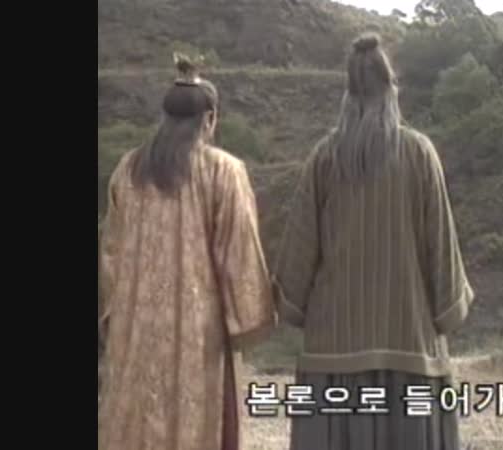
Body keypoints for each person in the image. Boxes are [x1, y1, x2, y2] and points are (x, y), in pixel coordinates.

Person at [274, 33, 474, 450]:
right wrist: (448, 309)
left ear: (348, 94)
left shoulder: (324, 157)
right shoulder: (419, 153)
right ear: (391, 90)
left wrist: (292, 306)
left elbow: (297, 259)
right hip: (409, 342)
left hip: (333, 349)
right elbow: (441, 248)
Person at [98, 56, 277, 450]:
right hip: (198, 333)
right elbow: (239, 254)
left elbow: (110, 254)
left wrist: (116, 315)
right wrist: (251, 316)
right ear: (209, 119)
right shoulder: (223, 171)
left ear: (164, 117)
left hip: (135, 328)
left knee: (133, 422)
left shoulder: (128, 169)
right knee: (195, 423)